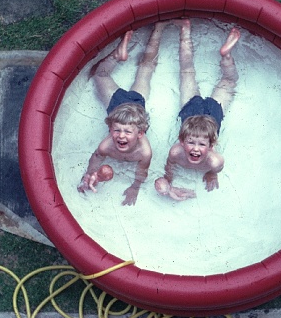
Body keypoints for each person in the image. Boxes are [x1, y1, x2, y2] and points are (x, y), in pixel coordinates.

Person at [77, 22, 166, 205]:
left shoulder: (145, 151)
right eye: (116, 131)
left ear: (141, 133)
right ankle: (125, 50)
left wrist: (135, 187)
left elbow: (142, 171)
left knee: (142, 69)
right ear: (110, 128)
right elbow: (95, 160)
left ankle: (157, 29)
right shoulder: (106, 146)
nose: (121, 136)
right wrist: (88, 176)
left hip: (136, 107)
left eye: (126, 133)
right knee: (134, 71)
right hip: (117, 107)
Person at [155, 19, 240, 201]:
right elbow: (169, 168)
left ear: (212, 145)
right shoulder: (179, 153)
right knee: (227, 81)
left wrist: (212, 174)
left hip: (193, 113)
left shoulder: (213, 161)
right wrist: (168, 182)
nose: (195, 148)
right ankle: (222, 54)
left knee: (187, 71)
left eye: (201, 144)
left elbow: (172, 166)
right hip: (200, 116)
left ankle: (188, 34)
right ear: (181, 140)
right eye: (192, 143)